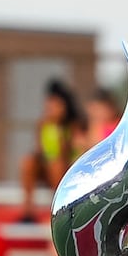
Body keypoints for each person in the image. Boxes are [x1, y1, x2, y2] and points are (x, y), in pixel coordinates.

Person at [18, 78, 82, 220]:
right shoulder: (43, 124)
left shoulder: (71, 126)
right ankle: (27, 209)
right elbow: (40, 151)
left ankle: (58, 207)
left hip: (64, 169)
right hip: (47, 168)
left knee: (56, 164)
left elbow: (69, 153)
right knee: (28, 161)